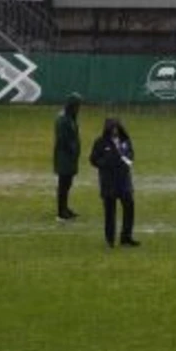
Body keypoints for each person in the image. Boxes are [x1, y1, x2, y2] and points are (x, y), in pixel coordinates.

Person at [90, 117, 139, 248]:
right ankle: (110, 240)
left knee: (129, 207)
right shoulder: (100, 142)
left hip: (124, 180)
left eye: (116, 128)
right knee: (110, 212)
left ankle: (126, 237)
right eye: (112, 128)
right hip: (108, 181)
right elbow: (93, 159)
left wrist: (127, 162)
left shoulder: (125, 141)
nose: (114, 131)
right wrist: (105, 163)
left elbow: (130, 154)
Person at [52, 93, 82, 221]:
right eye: (77, 105)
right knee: (63, 184)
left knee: (67, 184)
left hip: (69, 157)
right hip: (64, 157)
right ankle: (61, 211)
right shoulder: (63, 119)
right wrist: (72, 150)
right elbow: (63, 139)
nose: (79, 108)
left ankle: (65, 208)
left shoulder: (70, 117)